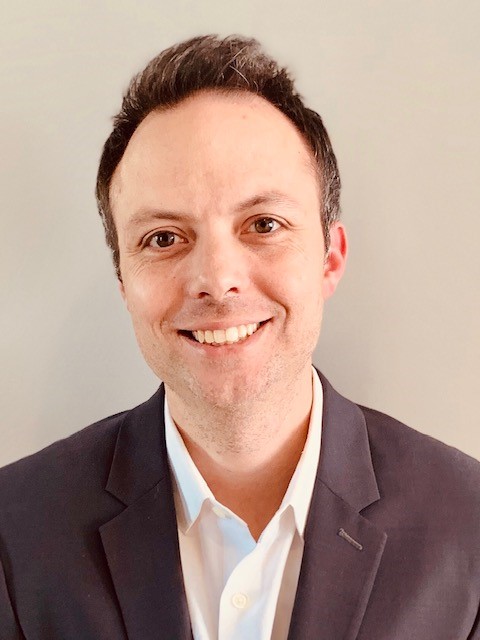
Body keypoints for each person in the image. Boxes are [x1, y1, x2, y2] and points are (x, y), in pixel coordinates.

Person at [0, 34, 479, 640]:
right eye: (164, 238)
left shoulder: (469, 531)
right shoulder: (14, 535)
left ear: (330, 258)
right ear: (124, 282)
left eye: (264, 224)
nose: (216, 279)